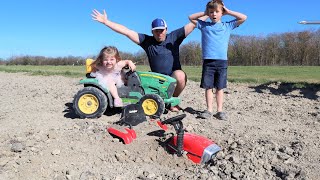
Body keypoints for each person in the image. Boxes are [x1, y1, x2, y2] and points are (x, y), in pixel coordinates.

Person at [91, 9, 196, 112]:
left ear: (166, 29)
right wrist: (106, 22)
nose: (159, 33)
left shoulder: (174, 36)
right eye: (156, 30)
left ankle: (172, 102)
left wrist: (207, 12)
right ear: (152, 31)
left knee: (180, 75)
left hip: (173, 76)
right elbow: (126, 32)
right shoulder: (147, 41)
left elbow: (193, 24)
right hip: (157, 78)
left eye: (162, 30)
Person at [189, 0, 247, 120]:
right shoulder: (204, 26)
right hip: (208, 62)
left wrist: (228, 12)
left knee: (220, 87)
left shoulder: (227, 26)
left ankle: (219, 111)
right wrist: (204, 13)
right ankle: (209, 110)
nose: (214, 14)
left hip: (222, 62)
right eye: (211, 12)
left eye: (217, 11)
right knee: (208, 87)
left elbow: (243, 17)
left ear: (222, 13)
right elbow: (191, 17)